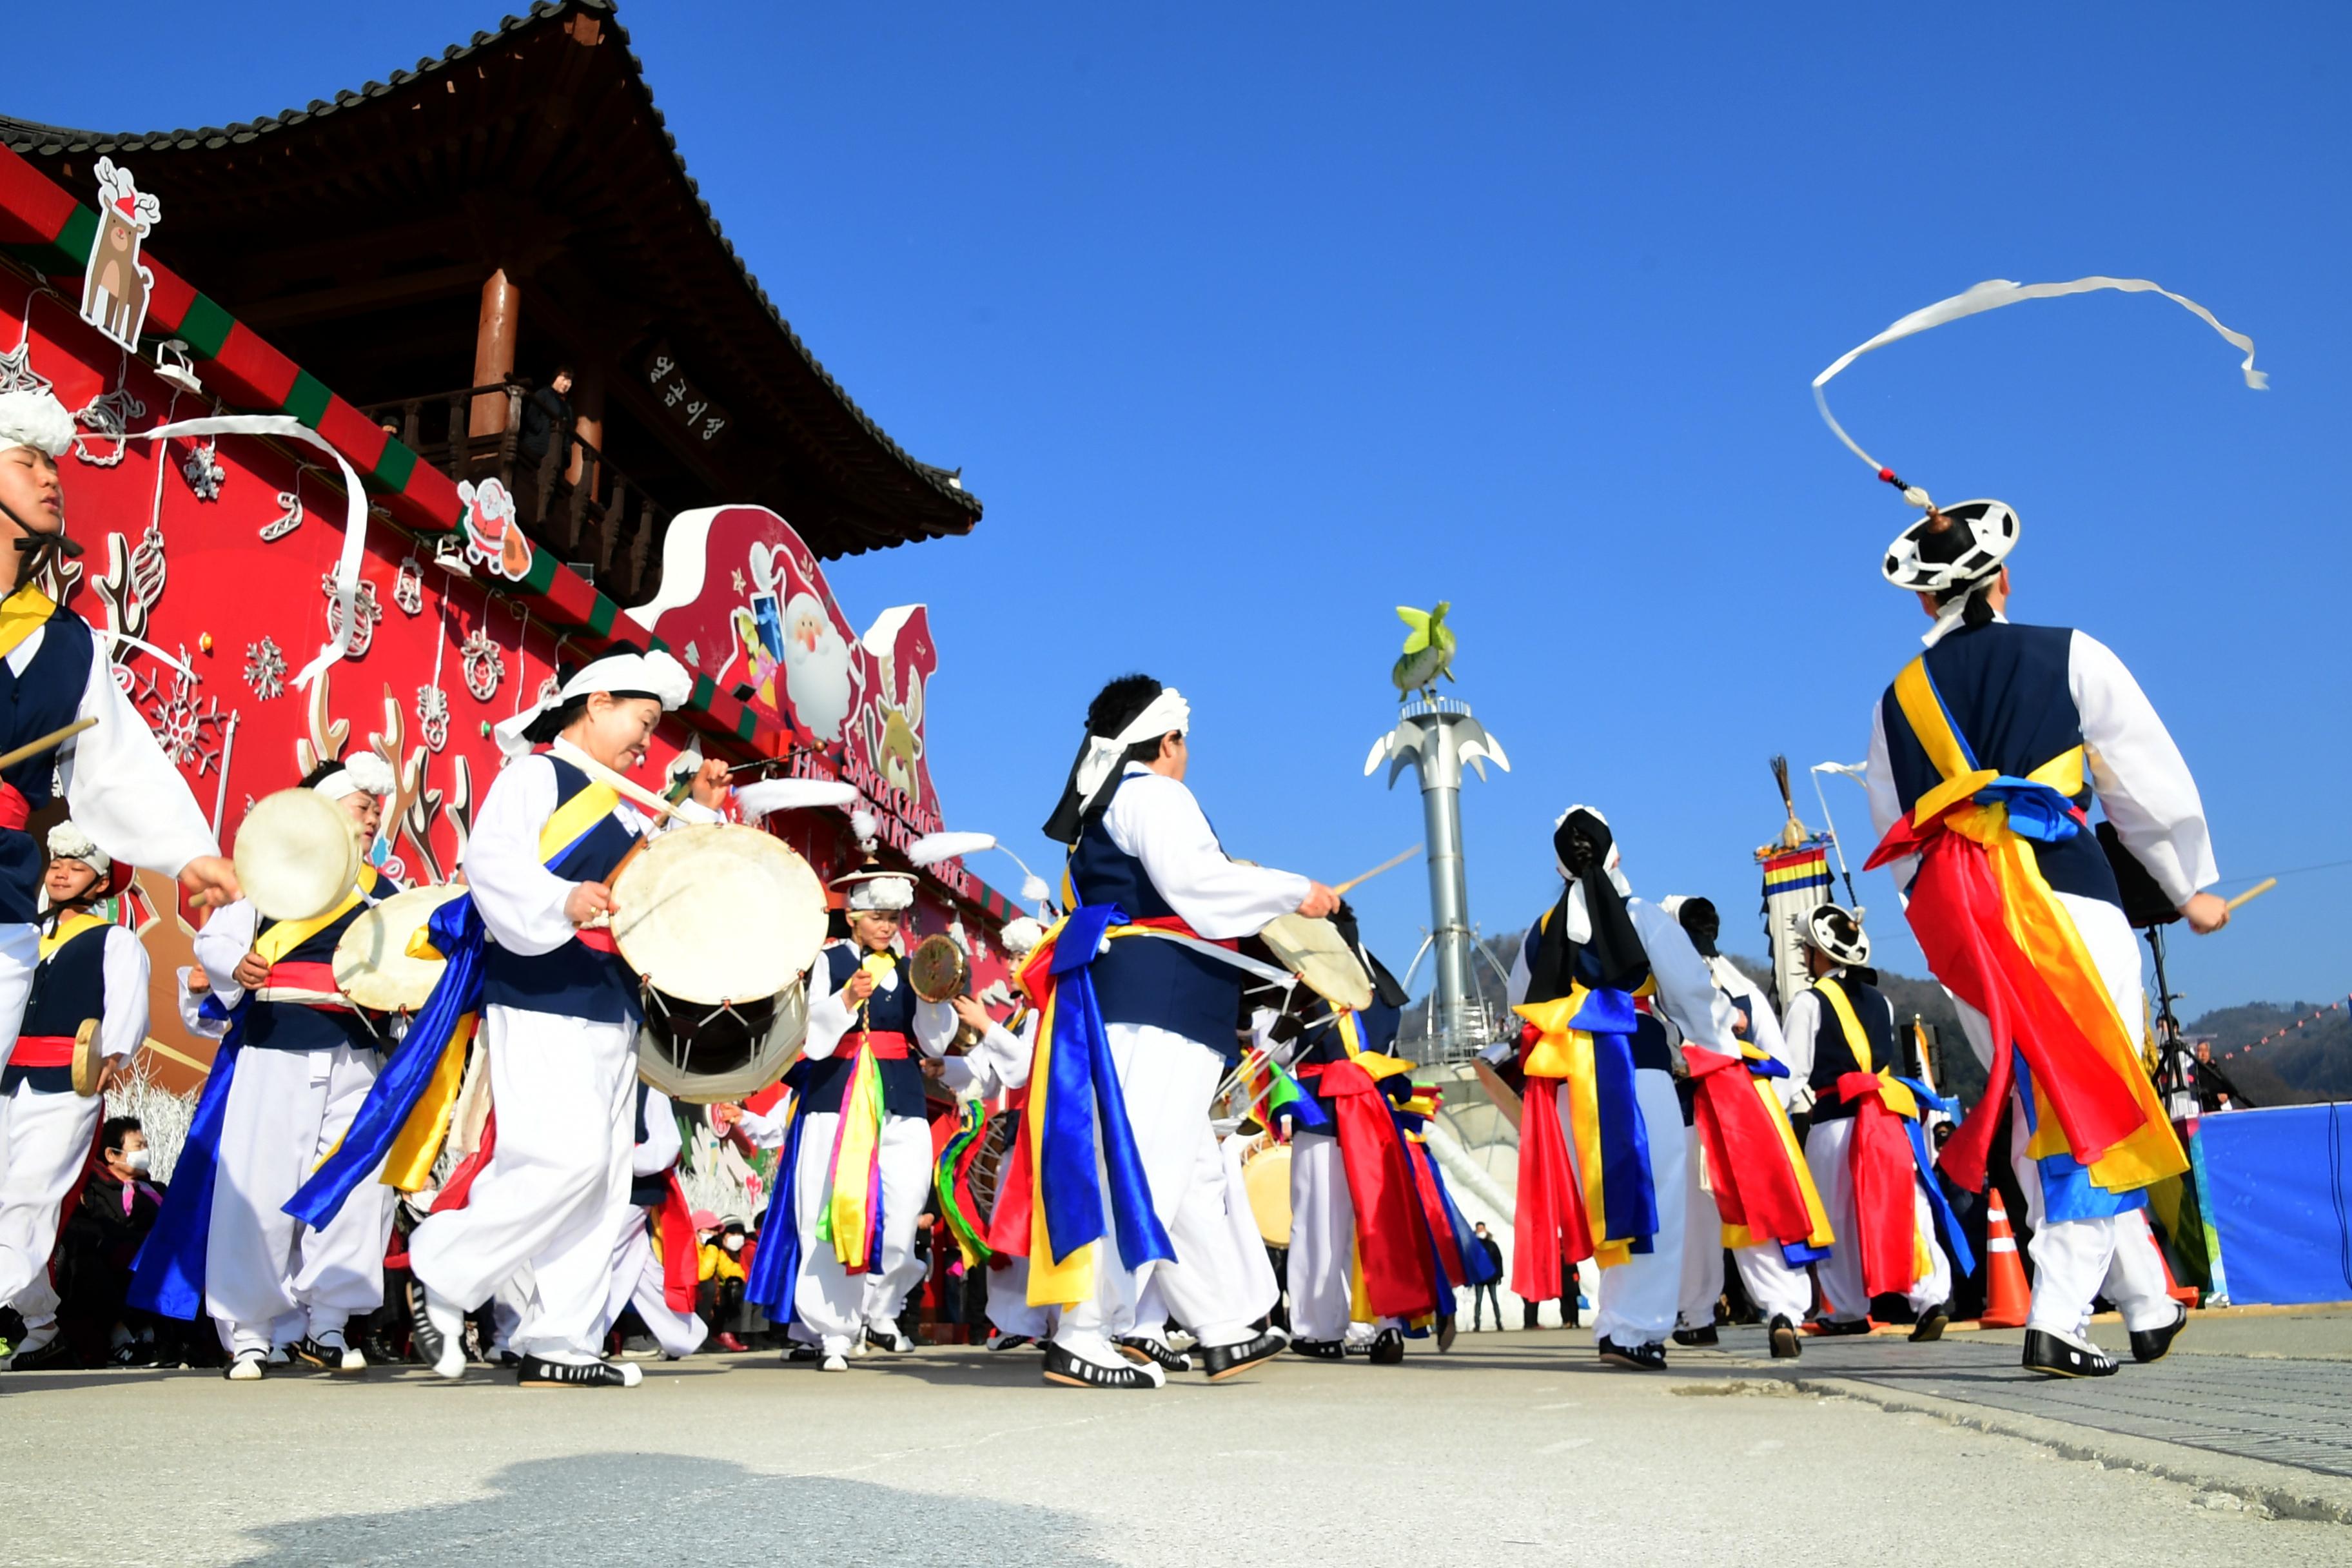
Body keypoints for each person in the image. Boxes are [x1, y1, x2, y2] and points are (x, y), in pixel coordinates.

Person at [1861, 495, 2213, 1377]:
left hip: (1973, 922)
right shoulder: (2070, 652)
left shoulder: (1896, 701)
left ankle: (2141, 1299)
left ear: (1923, 600)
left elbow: (1897, 836)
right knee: (2095, 1096)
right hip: (2069, 896)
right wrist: (2189, 885)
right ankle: (2057, 1316)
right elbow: (2144, 777)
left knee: (2042, 1101)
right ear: (2003, 578)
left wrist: (1950, 925)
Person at [396, 645, 727, 1388]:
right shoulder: (536, 774)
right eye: (644, 721)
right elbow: (492, 865)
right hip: (542, 990)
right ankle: (443, 1268)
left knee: (604, 1178)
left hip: (610, 1006)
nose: (649, 741)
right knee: (562, 1157)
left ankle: (562, 1337)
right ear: (599, 700)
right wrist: (560, 900)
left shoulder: (621, 802)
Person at [1019, 674, 1337, 1389]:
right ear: (1168, 740)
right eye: (1184, 742)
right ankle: (1085, 1330)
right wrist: (1295, 890)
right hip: (1157, 1001)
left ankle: (1219, 1323)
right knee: (1147, 1168)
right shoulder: (1153, 791)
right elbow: (1198, 882)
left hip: (1150, 998)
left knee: (1186, 1175)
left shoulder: (1109, 799)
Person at [0, 392, 237, 1064]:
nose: (52, 478)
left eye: (54, 465)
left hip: (4, 896)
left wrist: (192, 855)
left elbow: (119, 766)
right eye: (28, 462)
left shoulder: (71, 643)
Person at [169, 756, 404, 1380]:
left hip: (357, 1053)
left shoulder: (385, 893)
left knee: (352, 1190)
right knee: (262, 1188)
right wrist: (237, 965)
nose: (373, 816)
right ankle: (249, 1330)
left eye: (377, 809)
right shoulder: (271, 877)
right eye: (361, 805)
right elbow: (215, 943)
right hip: (275, 1048)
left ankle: (327, 1321)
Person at [1504, 806, 1741, 1371]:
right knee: (1654, 1197)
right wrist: (1708, 1046)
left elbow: (1519, 1000)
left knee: (1603, 1199)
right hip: (1637, 1063)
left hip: (1571, 1077)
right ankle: (1634, 1328)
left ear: (1560, 866)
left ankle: (1617, 1320)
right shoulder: (1644, 917)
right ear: (1616, 855)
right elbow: (1692, 993)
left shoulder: (1541, 932)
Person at [736, 824, 956, 1373]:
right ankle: (832, 1330)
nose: (887, 926)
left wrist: (934, 997)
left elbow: (933, 1042)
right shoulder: (826, 961)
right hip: (834, 1098)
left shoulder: (913, 971)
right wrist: (843, 999)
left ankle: (879, 1311)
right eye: (878, 916)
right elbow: (809, 1039)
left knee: (904, 1213)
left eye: (894, 918)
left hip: (900, 1098)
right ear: (854, 916)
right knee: (829, 1211)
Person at [1778, 905, 1961, 1343]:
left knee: (1836, 1215)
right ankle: (1931, 1297)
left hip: (1835, 1122)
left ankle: (1846, 1309)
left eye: (1807, 950)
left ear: (1819, 954)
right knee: (1908, 1206)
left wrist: (1774, 1122)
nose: (1804, 957)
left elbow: (1792, 1073)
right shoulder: (1883, 1001)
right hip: (1886, 1119)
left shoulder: (1809, 1001)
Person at [0, 824, 147, 1371]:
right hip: (10, 1077)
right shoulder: (23, 931)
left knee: (30, 1197)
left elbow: (128, 1009)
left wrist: (115, 1056)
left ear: (102, 882)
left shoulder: (115, 939)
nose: (61, 871)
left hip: (69, 1082)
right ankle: (42, 1324)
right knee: (6, 1200)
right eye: (57, 862)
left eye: (76, 866)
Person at [1671, 895, 1828, 1361]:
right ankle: (1783, 1309)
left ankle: (1697, 1318)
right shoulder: (1743, 987)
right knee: (1755, 1217)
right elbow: (1783, 1061)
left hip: (1689, 1113)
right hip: (1746, 1112)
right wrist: (1767, 1110)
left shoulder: (1668, 986)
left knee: (1694, 1222)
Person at [1269, 907, 1425, 1365]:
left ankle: (1320, 1328)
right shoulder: (1383, 989)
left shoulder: (1310, 986)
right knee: (1376, 1220)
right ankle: (1385, 1322)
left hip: (1321, 1110)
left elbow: (1277, 1050)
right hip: (1375, 1113)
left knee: (1319, 1222)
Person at [598, 1081, 707, 1362]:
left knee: (599, 1259)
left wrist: (618, 1156)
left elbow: (667, 1145)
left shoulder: (647, 1086)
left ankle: (582, 1334)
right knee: (638, 1265)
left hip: (633, 1189)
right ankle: (684, 1334)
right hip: (599, 1188)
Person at [55, 1115, 167, 1367]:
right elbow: (102, 1227)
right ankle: (120, 1335)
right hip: (118, 1259)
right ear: (112, 1154)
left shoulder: (156, 1190)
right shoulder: (95, 1189)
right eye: (138, 1146)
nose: (145, 1151)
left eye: (145, 1144)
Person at [518, 366, 576, 472]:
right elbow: (532, 415)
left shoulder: (568, 407)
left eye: (569, 381)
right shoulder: (544, 393)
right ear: (555, 378)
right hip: (537, 446)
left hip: (557, 453)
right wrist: (542, 429)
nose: (566, 384)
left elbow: (570, 430)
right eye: (564, 379)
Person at [2191, 1041, 2249, 1113]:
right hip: (2199, 1114)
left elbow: (2231, 1090)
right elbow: (2195, 1092)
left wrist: (2226, 1095)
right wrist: (2215, 1097)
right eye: (2200, 1050)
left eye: (2206, 1050)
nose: (2204, 1054)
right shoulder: (2191, 1071)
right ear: (2194, 1052)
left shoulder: (2215, 1070)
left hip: (2217, 1113)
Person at [1470, 1224, 1504, 1329]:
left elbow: (1498, 1260)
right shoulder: (1473, 1246)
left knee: (1494, 1300)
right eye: (1479, 1229)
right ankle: (1477, 1324)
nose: (1481, 1231)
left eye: (1482, 1229)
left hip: (1492, 1277)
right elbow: (1470, 1261)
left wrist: (1499, 1275)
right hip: (1479, 1278)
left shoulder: (1492, 1245)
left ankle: (1499, 1322)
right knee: (1478, 1301)